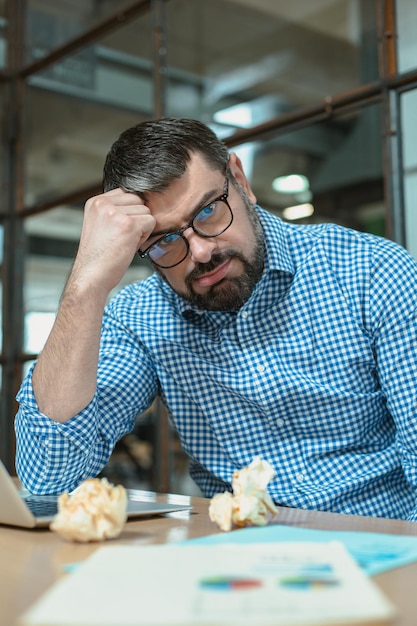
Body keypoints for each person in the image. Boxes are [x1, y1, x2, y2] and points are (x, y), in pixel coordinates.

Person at [14, 117, 417, 521]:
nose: (201, 252)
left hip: (381, 543)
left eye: (207, 211)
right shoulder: (142, 316)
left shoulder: (372, 273)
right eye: (166, 240)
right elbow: (49, 479)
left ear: (240, 179)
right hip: (232, 560)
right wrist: (85, 287)